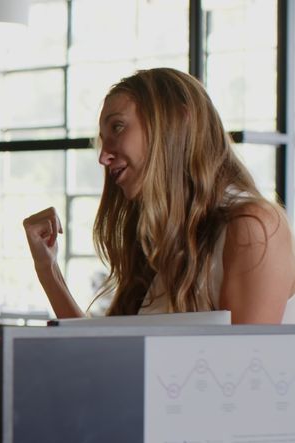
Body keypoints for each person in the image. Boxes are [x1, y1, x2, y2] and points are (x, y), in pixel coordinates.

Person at [23, 67, 295, 324]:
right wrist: (48, 269)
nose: (103, 156)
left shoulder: (254, 226)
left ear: (179, 121)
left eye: (117, 127)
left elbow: (245, 367)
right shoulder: (163, 239)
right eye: (102, 138)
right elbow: (105, 353)